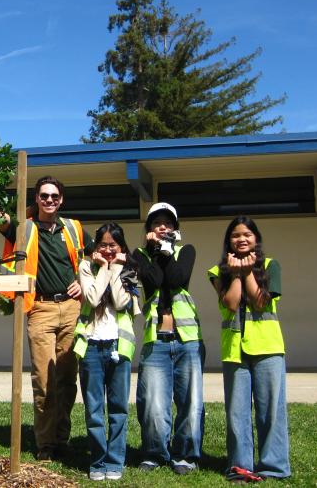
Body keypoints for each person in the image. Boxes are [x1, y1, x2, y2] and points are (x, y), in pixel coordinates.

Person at [0, 160, 93, 460]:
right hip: (41, 308)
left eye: (54, 196)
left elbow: (98, 255)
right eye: (44, 196)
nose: (49, 200)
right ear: (37, 198)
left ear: (61, 200)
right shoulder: (24, 228)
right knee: (44, 381)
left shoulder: (73, 228)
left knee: (67, 379)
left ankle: (62, 438)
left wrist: (83, 282)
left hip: (72, 309)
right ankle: (46, 443)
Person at [208, 216, 290, 482]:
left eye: (247, 234)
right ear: (228, 241)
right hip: (234, 351)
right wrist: (235, 274)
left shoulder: (270, 265)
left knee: (271, 411)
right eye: (235, 235)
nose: (241, 239)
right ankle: (240, 466)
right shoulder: (217, 271)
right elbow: (231, 304)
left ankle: (273, 466)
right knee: (237, 413)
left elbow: (260, 302)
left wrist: (247, 273)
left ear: (256, 238)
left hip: (267, 348)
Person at [132, 202, 204, 475]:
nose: (162, 227)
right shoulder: (139, 254)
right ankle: (154, 453)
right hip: (156, 339)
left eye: (168, 223)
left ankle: (185, 454)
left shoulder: (186, 251)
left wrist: (165, 250)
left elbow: (175, 278)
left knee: (190, 401)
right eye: (157, 223)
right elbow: (153, 280)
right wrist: (156, 251)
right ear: (149, 228)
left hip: (187, 339)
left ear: (175, 227)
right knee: (152, 401)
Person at [73, 223, 140, 482]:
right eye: (103, 245)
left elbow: (122, 302)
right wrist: (104, 268)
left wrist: (115, 268)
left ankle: (115, 461)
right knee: (94, 410)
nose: (108, 249)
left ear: (121, 247)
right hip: (91, 346)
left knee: (119, 409)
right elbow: (92, 298)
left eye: (113, 245)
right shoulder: (86, 267)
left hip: (118, 346)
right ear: (96, 246)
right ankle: (97, 461)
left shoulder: (130, 269)